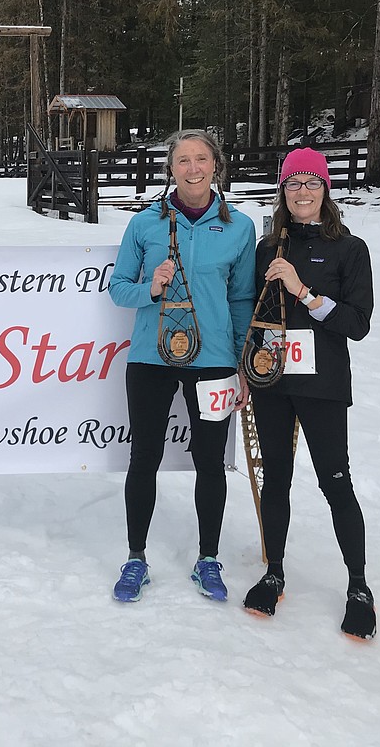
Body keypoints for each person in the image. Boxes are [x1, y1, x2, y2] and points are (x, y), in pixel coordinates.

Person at [108, 129, 256, 603]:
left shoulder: (239, 227)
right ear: (170, 169)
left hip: (212, 361)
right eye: (183, 160)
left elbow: (241, 298)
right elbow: (118, 288)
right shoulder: (145, 223)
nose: (193, 168)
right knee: (144, 458)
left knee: (209, 462)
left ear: (216, 165)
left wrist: (238, 365)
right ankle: (136, 557)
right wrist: (151, 287)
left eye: (201, 159)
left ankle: (208, 558)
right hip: (151, 359)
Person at [241, 147, 377, 639]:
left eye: (312, 182)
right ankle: (274, 571)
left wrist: (304, 292)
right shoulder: (265, 249)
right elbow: (250, 317)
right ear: (282, 190)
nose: (302, 190)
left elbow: (357, 325)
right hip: (271, 382)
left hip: (322, 386)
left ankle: (359, 587)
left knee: (335, 481)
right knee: (276, 478)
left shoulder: (349, 249)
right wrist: (244, 370)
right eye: (293, 182)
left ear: (326, 190)